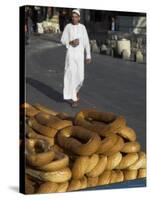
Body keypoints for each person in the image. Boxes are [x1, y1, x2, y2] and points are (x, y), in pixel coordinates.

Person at [60, 9, 91, 107]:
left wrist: (88, 55)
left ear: (79, 18)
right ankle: (74, 99)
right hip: (71, 56)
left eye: (76, 16)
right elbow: (62, 40)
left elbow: (86, 42)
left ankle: (76, 91)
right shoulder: (68, 27)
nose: (74, 18)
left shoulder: (82, 28)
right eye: (73, 17)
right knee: (71, 76)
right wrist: (71, 42)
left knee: (80, 78)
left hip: (80, 56)